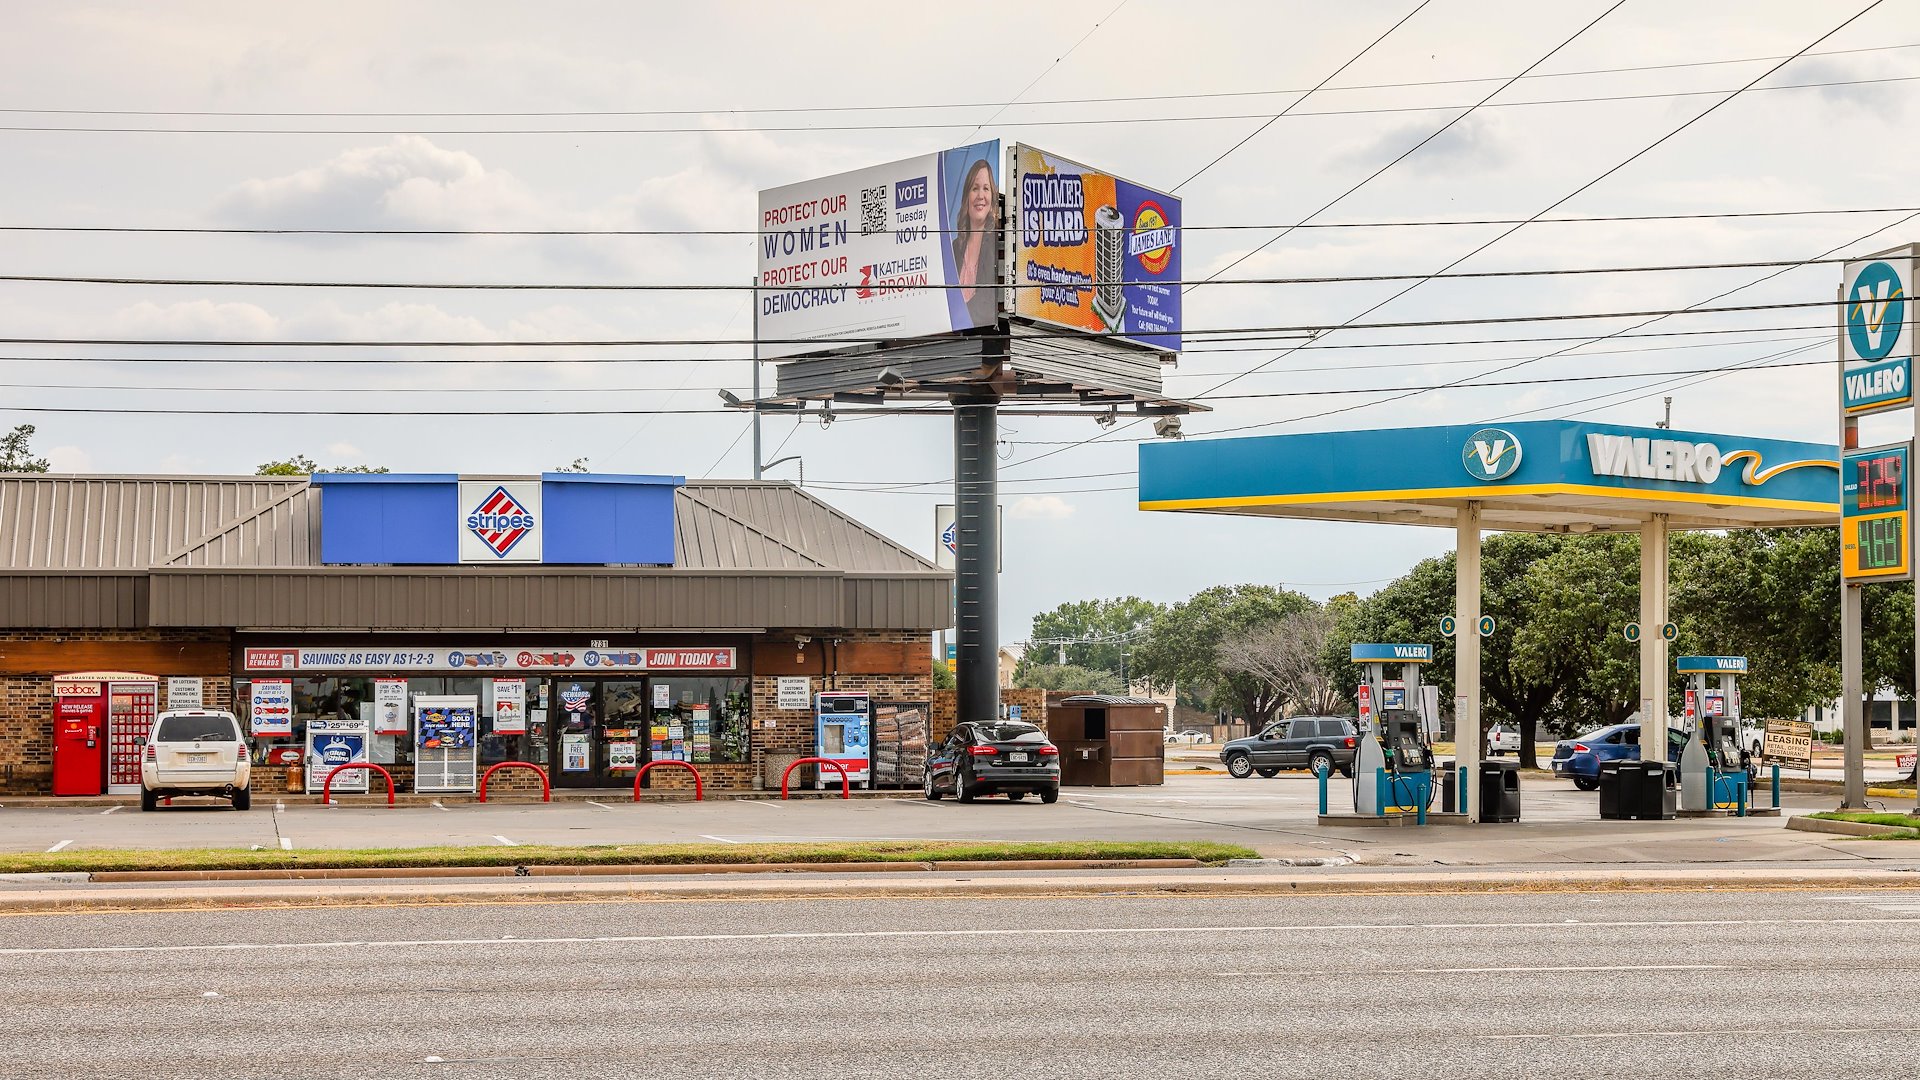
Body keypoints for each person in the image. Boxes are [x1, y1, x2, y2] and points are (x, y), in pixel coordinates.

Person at [950, 158, 998, 327]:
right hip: (952, 339)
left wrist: (958, 314)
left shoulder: (995, 245)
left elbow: (987, 300)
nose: (980, 196)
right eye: (974, 188)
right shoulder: (954, 248)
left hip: (983, 336)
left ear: (992, 197)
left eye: (986, 188)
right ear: (966, 197)